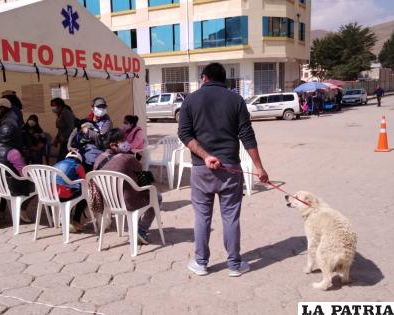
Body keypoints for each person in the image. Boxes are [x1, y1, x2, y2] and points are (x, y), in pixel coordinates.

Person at [178, 63, 269, 277]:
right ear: (223, 79)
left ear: (204, 78)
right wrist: (259, 168)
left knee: (202, 217)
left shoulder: (190, 100)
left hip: (202, 169)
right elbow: (247, 135)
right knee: (231, 217)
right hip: (231, 169)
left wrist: (206, 156)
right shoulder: (236, 100)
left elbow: (184, 134)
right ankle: (234, 265)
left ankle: (201, 263)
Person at [93, 128, 158, 244]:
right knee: (155, 197)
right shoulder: (128, 158)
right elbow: (143, 176)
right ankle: (141, 229)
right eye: (122, 140)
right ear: (113, 145)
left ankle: (135, 228)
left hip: (108, 203)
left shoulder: (98, 159)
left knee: (135, 191)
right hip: (127, 202)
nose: (126, 143)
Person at [0, 124, 33, 223]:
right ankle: (22, 209)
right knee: (37, 185)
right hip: (12, 187)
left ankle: (1, 212)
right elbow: (24, 173)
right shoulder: (13, 152)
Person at [68, 97, 112, 171]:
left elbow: (102, 139)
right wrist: (69, 146)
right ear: (92, 108)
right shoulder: (87, 119)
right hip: (82, 151)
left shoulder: (107, 122)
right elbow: (74, 133)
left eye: (103, 107)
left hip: (95, 154)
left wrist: (88, 132)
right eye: (99, 107)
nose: (101, 109)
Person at [53, 151, 87, 232]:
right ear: (79, 159)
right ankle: (76, 220)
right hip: (64, 195)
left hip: (51, 194)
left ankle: (67, 219)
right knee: (84, 196)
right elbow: (85, 181)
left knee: (72, 191)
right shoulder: (78, 166)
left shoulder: (56, 164)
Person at [51, 98, 76, 162]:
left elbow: (71, 127)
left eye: (54, 105)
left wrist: (63, 136)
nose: (52, 107)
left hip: (69, 141)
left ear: (60, 105)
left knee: (63, 159)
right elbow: (60, 130)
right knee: (62, 158)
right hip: (64, 141)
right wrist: (56, 139)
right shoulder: (59, 114)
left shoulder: (66, 113)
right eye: (52, 105)